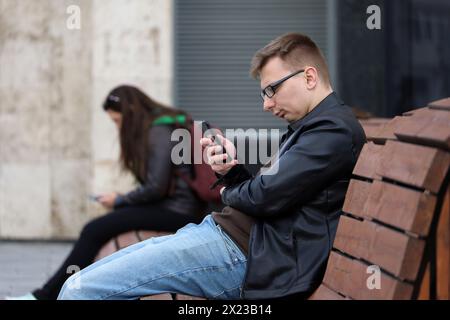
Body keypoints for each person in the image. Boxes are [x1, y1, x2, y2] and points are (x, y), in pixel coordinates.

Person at [58, 33, 366, 300]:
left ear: (309, 77)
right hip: (230, 239)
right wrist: (229, 171)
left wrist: (231, 186)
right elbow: (269, 193)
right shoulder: (313, 127)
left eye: (271, 90)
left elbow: (262, 197)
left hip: (240, 254)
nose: (266, 104)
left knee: (78, 289)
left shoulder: (330, 132)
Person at [7, 85, 205, 300]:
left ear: (131, 112)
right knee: (97, 229)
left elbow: (156, 188)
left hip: (178, 212)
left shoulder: (159, 132)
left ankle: (45, 295)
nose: (118, 128)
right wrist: (122, 200)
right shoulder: (162, 127)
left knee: (94, 230)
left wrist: (119, 199)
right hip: (172, 207)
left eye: (117, 121)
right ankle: (49, 293)